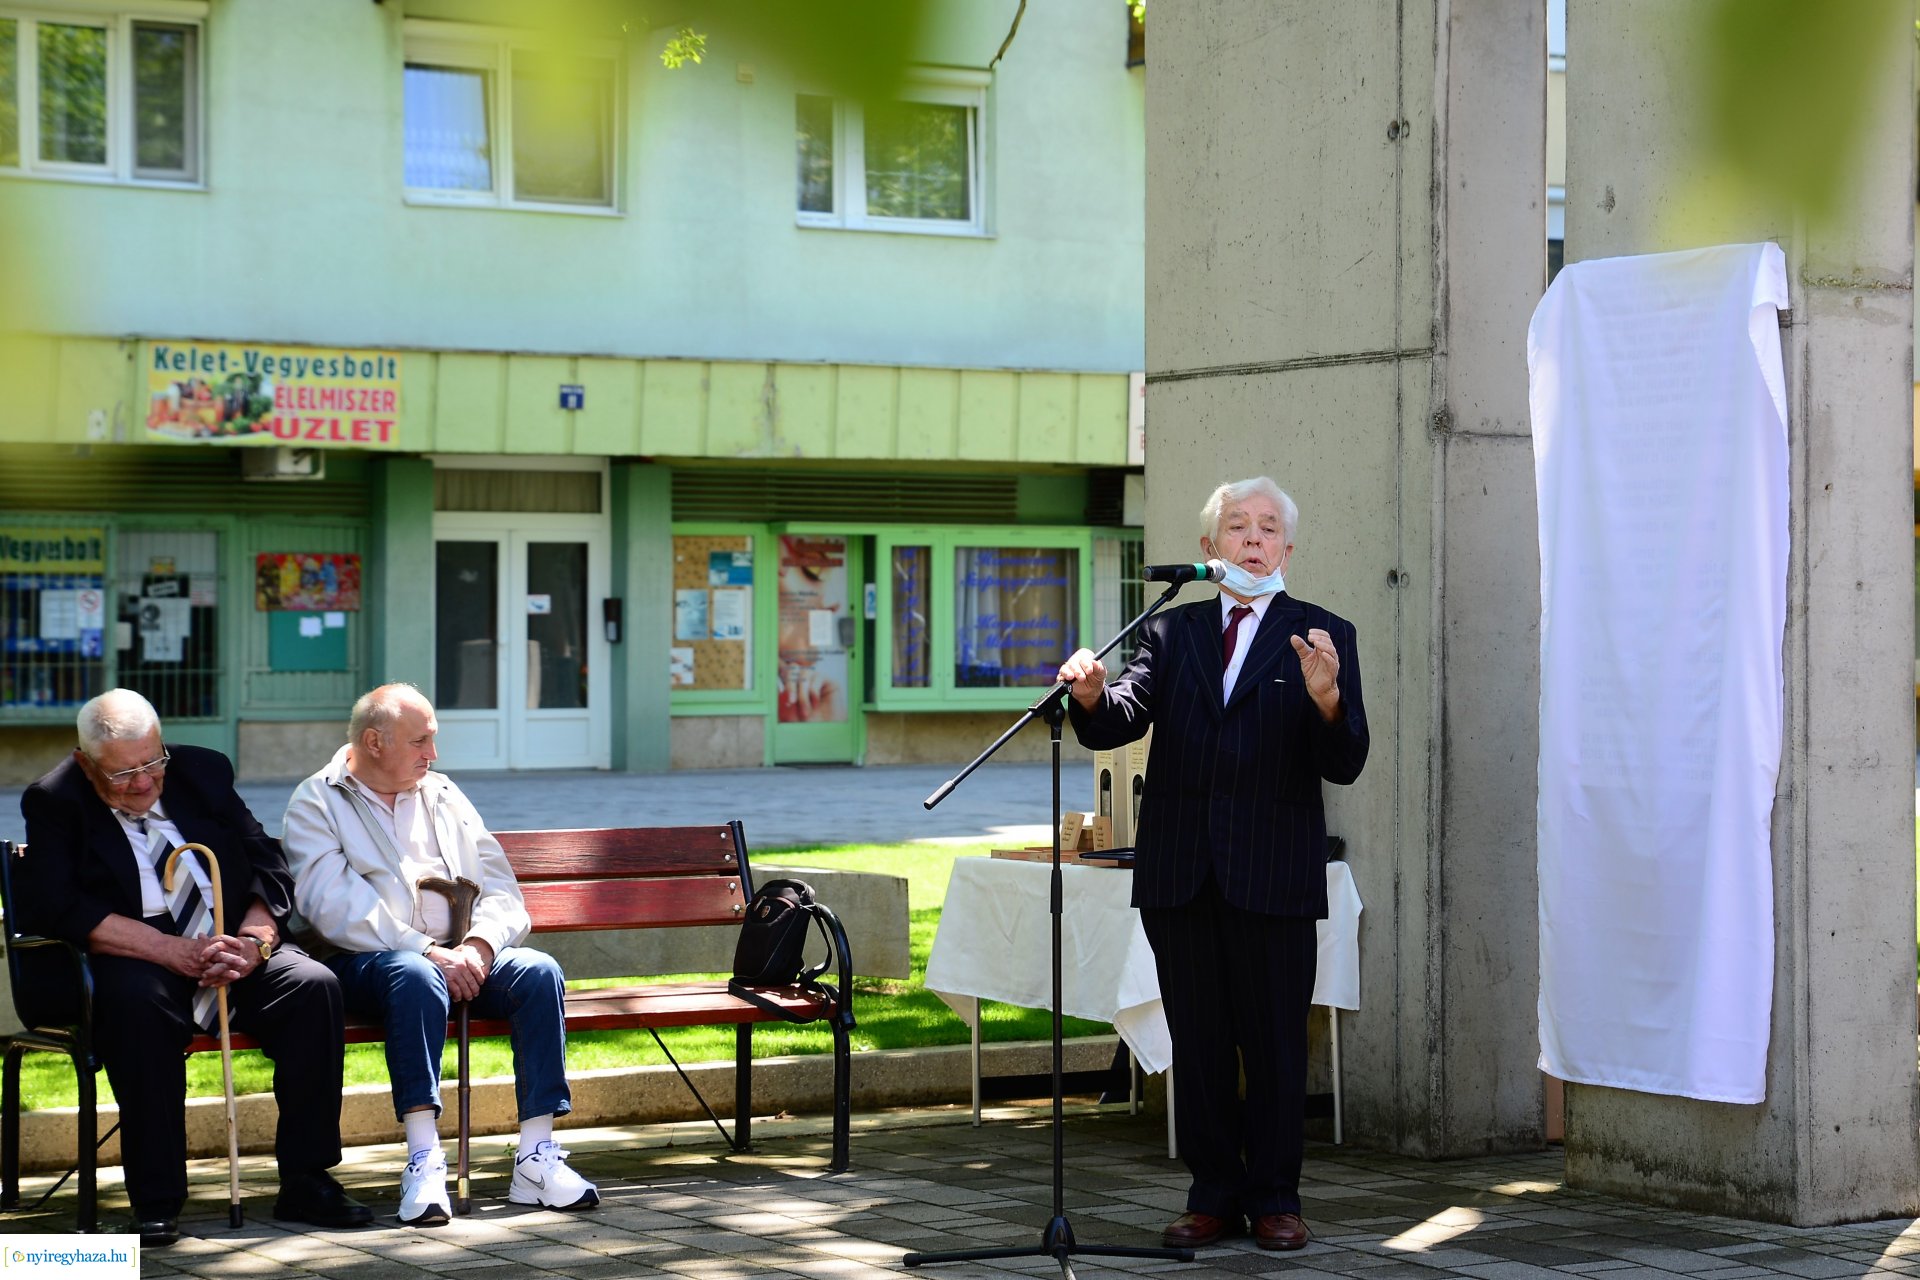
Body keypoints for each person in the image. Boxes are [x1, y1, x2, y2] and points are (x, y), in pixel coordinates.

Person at [1056, 476, 1368, 1253]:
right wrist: (1090, 696)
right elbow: (1119, 718)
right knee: (1198, 1045)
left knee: (1274, 1046)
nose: (1253, 537)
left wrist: (1328, 701)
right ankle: (1213, 1195)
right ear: (1209, 547)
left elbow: (1346, 760)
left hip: (1274, 875)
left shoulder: (1322, 634)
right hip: (1183, 873)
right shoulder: (1173, 632)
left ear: (1287, 549)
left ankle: (1276, 1199)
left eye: (1268, 527)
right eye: (1237, 525)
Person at [16, 689, 370, 1246]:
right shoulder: (55, 799)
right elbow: (58, 906)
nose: (143, 783)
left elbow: (267, 863)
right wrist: (165, 949)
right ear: (86, 763)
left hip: (228, 938)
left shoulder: (202, 772)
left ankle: (307, 1179)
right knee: (138, 1006)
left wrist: (254, 941)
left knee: (312, 987)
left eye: (152, 763)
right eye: (122, 774)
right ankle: (156, 1198)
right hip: (134, 952)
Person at [280, 684, 597, 1226]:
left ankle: (536, 1158)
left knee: (538, 972)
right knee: (415, 975)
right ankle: (424, 1160)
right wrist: (427, 950)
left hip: (460, 955)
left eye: (433, 739)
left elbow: (501, 888)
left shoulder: (443, 793)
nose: (433, 753)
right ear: (374, 742)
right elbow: (333, 908)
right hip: (368, 962)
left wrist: (479, 945)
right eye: (420, 741)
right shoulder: (318, 801)